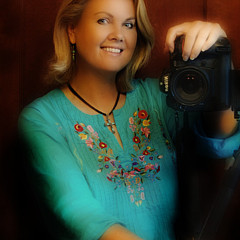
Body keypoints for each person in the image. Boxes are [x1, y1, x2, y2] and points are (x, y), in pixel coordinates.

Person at [18, 0, 240, 239]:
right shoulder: (43, 119)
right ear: (72, 30)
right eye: (103, 20)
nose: (118, 34)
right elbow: (83, 217)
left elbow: (222, 139)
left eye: (129, 24)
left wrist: (220, 57)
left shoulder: (157, 99)